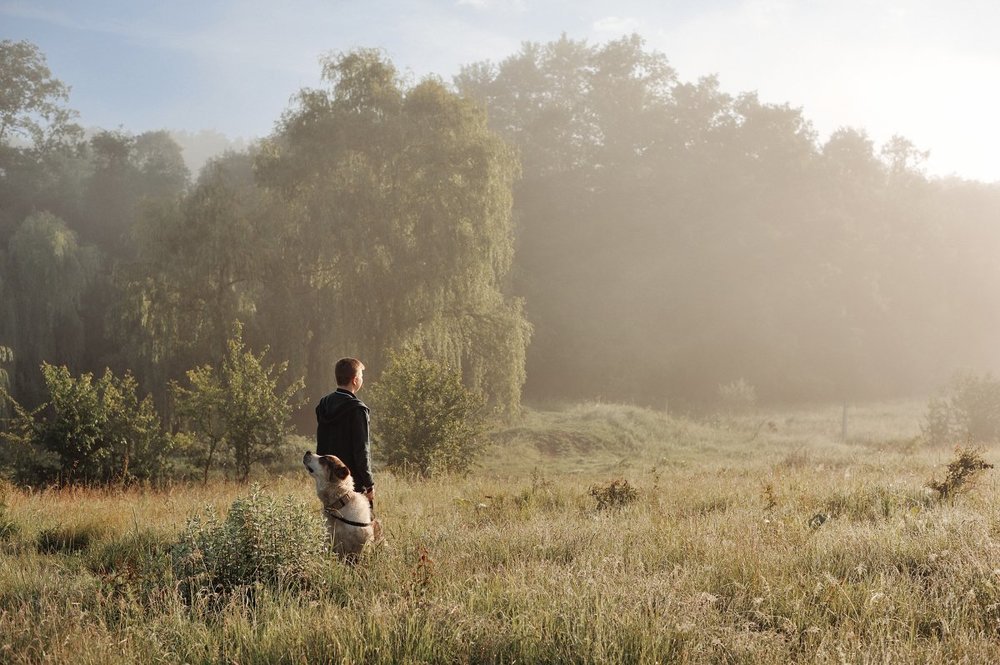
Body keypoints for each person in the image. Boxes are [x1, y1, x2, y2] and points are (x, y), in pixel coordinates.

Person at [316, 357, 374, 506]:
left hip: (329, 479)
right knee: (363, 526)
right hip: (352, 481)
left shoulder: (324, 405)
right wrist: (369, 484)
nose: (362, 379)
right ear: (355, 380)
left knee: (333, 524)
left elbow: (322, 443)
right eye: (361, 376)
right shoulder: (357, 410)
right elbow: (361, 450)